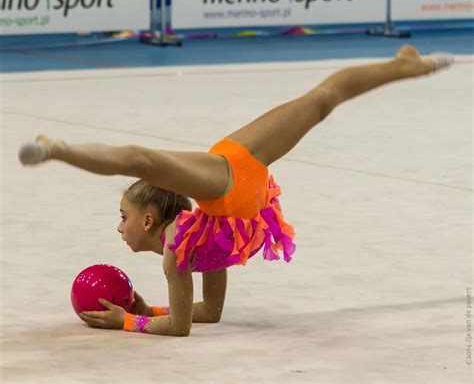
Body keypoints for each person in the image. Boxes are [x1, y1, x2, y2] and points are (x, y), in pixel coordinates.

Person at [18, 45, 453, 336]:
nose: (119, 227)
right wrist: (143, 311)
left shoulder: (176, 253)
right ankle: (404, 65)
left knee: (141, 159)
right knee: (322, 100)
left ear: (149, 220)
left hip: (226, 178)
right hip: (248, 176)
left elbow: (182, 329)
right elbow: (208, 314)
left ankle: (57, 149)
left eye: (122, 216)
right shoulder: (195, 243)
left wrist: (128, 322)